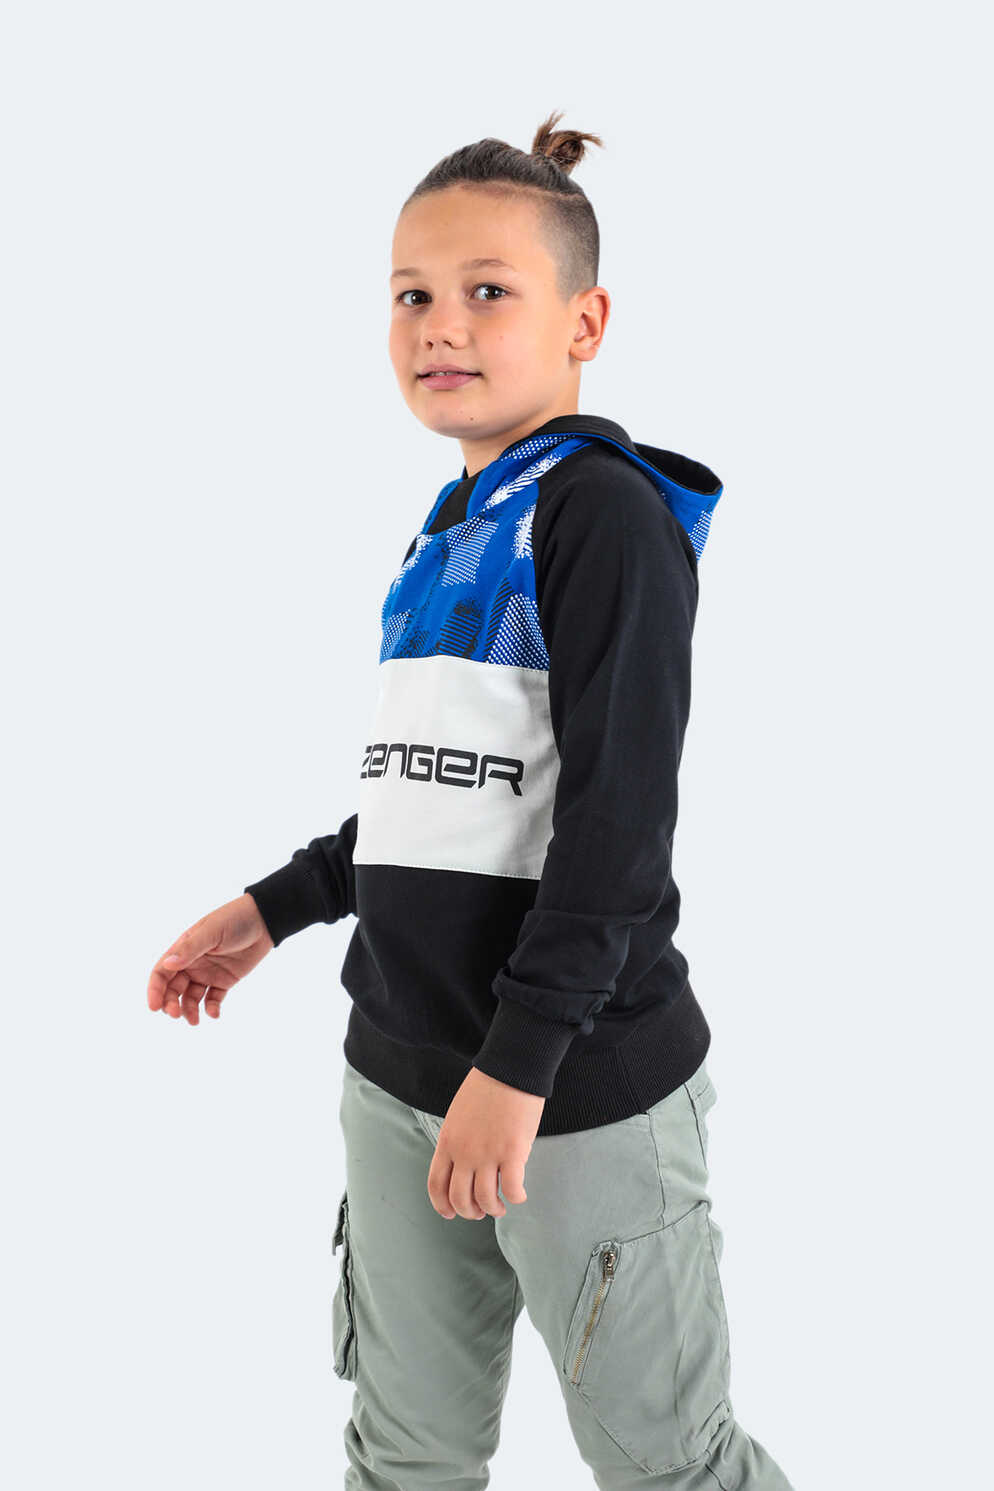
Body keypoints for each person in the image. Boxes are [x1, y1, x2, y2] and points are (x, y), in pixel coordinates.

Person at [148, 111, 797, 1491]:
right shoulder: (448, 529)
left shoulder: (603, 516)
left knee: (672, 1468)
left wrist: (516, 1068)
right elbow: (437, 796)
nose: (441, 324)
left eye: (488, 290)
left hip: (573, 1094)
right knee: (406, 1455)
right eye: (412, 296)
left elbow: (616, 834)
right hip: (396, 1075)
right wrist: (275, 907)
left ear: (585, 321)